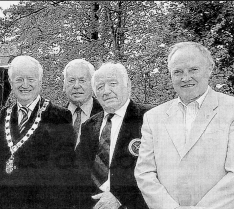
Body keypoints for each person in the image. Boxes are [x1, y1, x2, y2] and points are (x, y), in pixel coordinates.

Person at [0, 55, 90, 209]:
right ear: (11, 83)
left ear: (40, 82)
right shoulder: (0, 117)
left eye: (30, 79)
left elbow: (64, 175)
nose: (25, 85)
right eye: (19, 79)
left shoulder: (59, 117)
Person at [135, 42, 234, 208]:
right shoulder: (154, 118)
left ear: (210, 69)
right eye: (178, 72)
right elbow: (145, 173)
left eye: (193, 70)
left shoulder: (231, 110)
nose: (185, 78)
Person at [76, 63, 151, 209]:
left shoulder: (149, 117)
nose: (106, 91)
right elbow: (78, 172)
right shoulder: (89, 126)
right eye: (100, 87)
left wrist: (121, 198)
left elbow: (159, 171)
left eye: (112, 84)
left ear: (128, 85)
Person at [63, 59, 103, 148]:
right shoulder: (53, 118)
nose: (76, 86)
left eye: (82, 80)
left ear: (93, 84)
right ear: (64, 85)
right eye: (71, 80)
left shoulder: (107, 115)